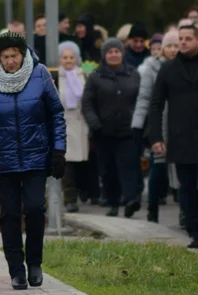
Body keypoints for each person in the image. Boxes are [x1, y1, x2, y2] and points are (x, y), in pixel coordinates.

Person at [0, 31, 65, 290]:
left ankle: (34, 262)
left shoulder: (40, 74)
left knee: (34, 209)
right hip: (2, 159)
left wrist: (58, 151)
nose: (10, 61)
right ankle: (16, 269)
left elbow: (56, 114)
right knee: (9, 214)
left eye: (15, 55)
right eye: (5, 56)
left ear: (23, 54)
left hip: (35, 156)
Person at [148, 22, 198, 249]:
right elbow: (155, 105)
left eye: (187, 39)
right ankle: (194, 232)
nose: (182, 43)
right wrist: (155, 137)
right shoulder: (168, 69)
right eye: (180, 39)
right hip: (180, 137)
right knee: (187, 188)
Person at [83, 37, 141, 217]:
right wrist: (95, 124)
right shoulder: (95, 76)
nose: (114, 55)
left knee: (129, 166)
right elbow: (87, 103)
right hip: (103, 132)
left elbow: (141, 100)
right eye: (110, 52)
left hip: (128, 131)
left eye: (116, 51)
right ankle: (113, 202)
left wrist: (138, 123)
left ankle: (131, 199)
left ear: (122, 54)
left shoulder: (134, 74)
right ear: (104, 55)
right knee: (108, 170)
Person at [133, 31, 178, 223]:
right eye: (169, 46)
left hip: (181, 125)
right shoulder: (151, 68)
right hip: (159, 124)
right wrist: (137, 124)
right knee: (157, 170)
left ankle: (185, 213)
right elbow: (144, 98)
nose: (173, 50)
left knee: (180, 173)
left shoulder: (183, 66)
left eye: (176, 45)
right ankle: (152, 209)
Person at [57, 41, 89, 217]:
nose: (68, 61)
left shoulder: (83, 75)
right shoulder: (54, 77)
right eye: (64, 57)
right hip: (63, 126)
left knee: (82, 165)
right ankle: (70, 200)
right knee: (67, 165)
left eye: (71, 57)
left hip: (80, 124)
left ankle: (84, 193)